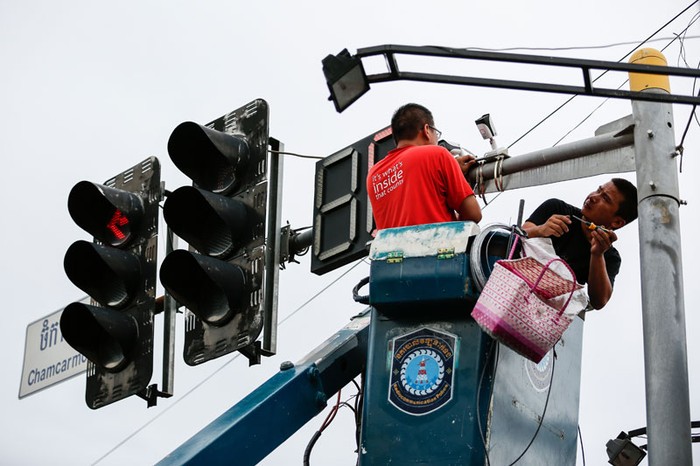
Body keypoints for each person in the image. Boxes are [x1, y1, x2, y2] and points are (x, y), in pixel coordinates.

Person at [522, 178, 638, 310]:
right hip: (515, 286)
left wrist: (597, 254)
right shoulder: (557, 209)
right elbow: (518, 236)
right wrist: (540, 230)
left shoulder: (609, 257)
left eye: (605, 198)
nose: (593, 197)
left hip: (545, 313)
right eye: (598, 190)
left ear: (617, 222)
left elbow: (599, 301)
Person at [367, 103, 482, 230]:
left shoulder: (374, 175)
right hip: (437, 248)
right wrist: (455, 173)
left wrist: (453, 168)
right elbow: (474, 214)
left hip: (393, 250)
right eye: (436, 134)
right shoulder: (438, 154)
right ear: (427, 130)